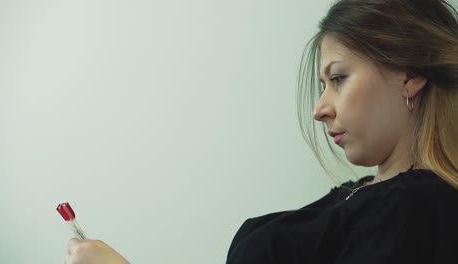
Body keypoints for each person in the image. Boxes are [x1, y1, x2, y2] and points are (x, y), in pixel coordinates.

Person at [64, 0, 458, 263]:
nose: (320, 109)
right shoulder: (369, 193)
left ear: (411, 76)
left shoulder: (419, 207)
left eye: (338, 78)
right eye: (324, 85)